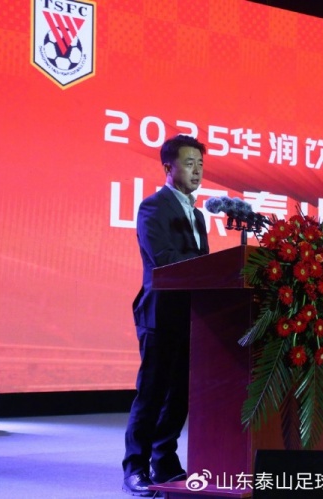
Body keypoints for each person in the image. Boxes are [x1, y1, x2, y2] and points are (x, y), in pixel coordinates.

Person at [122, 134, 209, 496]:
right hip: (160, 314)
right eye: (189, 163)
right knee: (153, 393)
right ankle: (135, 468)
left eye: (200, 164)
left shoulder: (198, 216)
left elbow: (205, 268)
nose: (197, 171)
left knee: (179, 396)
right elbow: (164, 260)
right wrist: (207, 267)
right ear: (168, 167)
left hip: (190, 316)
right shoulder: (153, 208)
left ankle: (165, 462)